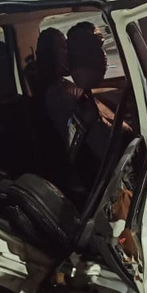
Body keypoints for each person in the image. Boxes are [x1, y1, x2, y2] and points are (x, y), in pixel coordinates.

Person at [44, 22, 114, 185]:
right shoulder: (59, 95)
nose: (69, 53)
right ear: (51, 55)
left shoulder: (63, 87)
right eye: (64, 48)